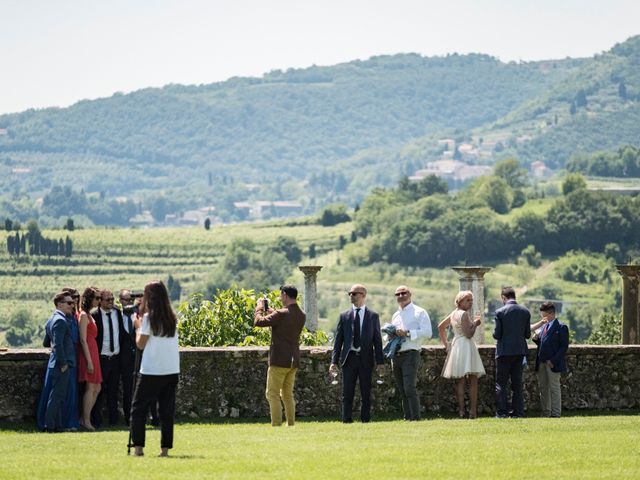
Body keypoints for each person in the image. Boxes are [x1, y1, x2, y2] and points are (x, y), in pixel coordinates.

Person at [130, 280, 180, 457]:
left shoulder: (148, 318)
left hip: (152, 370)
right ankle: (165, 450)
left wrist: (137, 327)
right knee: (166, 412)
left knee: (138, 409)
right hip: (172, 369)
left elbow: (140, 345)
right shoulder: (172, 318)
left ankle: (138, 448)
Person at [330, 283, 383, 423]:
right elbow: (338, 341)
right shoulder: (344, 316)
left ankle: (365, 419)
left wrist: (380, 362)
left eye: (354, 293)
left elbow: (377, 340)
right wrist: (333, 361)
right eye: (350, 294)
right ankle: (346, 419)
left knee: (366, 391)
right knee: (347, 392)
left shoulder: (373, 316)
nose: (351, 296)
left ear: (363, 295)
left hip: (366, 359)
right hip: (349, 358)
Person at [254, 285, 306, 427]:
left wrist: (259, 308)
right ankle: (291, 424)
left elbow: (258, 322)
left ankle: (276, 425)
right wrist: (273, 312)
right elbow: (285, 322)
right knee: (287, 395)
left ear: (284, 294)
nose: (279, 297)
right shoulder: (302, 314)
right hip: (293, 360)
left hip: (279, 360)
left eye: (280, 295)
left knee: (272, 394)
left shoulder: (281, 314)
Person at [438, 290, 486, 418]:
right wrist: (476, 323)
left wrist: (446, 344)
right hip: (466, 345)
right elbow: (469, 334)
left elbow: (440, 327)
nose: (470, 303)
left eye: (471, 300)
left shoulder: (454, 313)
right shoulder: (464, 314)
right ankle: (473, 411)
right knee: (473, 379)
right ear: (459, 301)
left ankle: (461, 411)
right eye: (467, 300)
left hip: (457, 345)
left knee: (460, 380)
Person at [390, 285, 432, 421]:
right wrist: (390, 336)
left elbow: (428, 332)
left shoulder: (420, 312)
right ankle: (407, 417)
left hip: (411, 353)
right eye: (398, 294)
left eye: (403, 293)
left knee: (409, 388)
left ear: (410, 294)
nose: (401, 296)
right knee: (402, 390)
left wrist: (407, 332)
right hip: (396, 354)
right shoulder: (395, 315)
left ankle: (415, 417)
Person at [38, 292, 76, 432]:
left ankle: (57, 426)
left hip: (55, 364)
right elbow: (57, 345)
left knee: (58, 396)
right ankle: (50, 426)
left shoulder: (52, 319)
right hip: (61, 365)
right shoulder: (60, 320)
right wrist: (64, 363)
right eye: (69, 303)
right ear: (60, 304)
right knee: (57, 397)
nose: (72, 305)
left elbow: (46, 342)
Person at [493, 286, 531, 418]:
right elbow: (527, 334)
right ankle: (518, 412)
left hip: (504, 352)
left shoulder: (500, 312)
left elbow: (497, 335)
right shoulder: (525, 312)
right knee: (517, 384)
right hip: (520, 351)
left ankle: (502, 412)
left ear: (503, 297)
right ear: (514, 296)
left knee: (501, 384)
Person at [92, 289, 125, 427]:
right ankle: (96, 421)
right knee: (98, 391)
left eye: (112, 299)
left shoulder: (117, 313)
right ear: (100, 301)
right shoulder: (95, 315)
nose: (111, 302)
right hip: (102, 359)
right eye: (107, 300)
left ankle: (114, 421)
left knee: (113, 391)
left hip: (115, 359)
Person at [531, 301, 569, 418]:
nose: (542, 318)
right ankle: (546, 412)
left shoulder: (561, 327)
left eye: (543, 315)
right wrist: (536, 339)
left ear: (551, 314)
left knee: (554, 388)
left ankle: (556, 413)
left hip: (552, 363)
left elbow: (563, 347)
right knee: (543, 388)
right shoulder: (545, 326)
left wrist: (553, 360)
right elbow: (543, 343)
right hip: (542, 361)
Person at [77, 287, 103, 431]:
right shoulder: (84, 316)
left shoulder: (89, 314)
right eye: (97, 298)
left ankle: (84, 418)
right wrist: (89, 361)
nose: (98, 301)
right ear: (89, 299)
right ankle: (85, 419)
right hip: (88, 353)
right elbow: (82, 339)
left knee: (97, 387)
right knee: (91, 387)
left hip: (93, 352)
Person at [119, 289, 137, 426]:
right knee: (126, 389)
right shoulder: (116, 316)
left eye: (131, 300)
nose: (129, 303)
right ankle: (127, 418)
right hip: (122, 359)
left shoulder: (138, 316)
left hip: (137, 358)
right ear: (120, 301)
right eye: (126, 300)